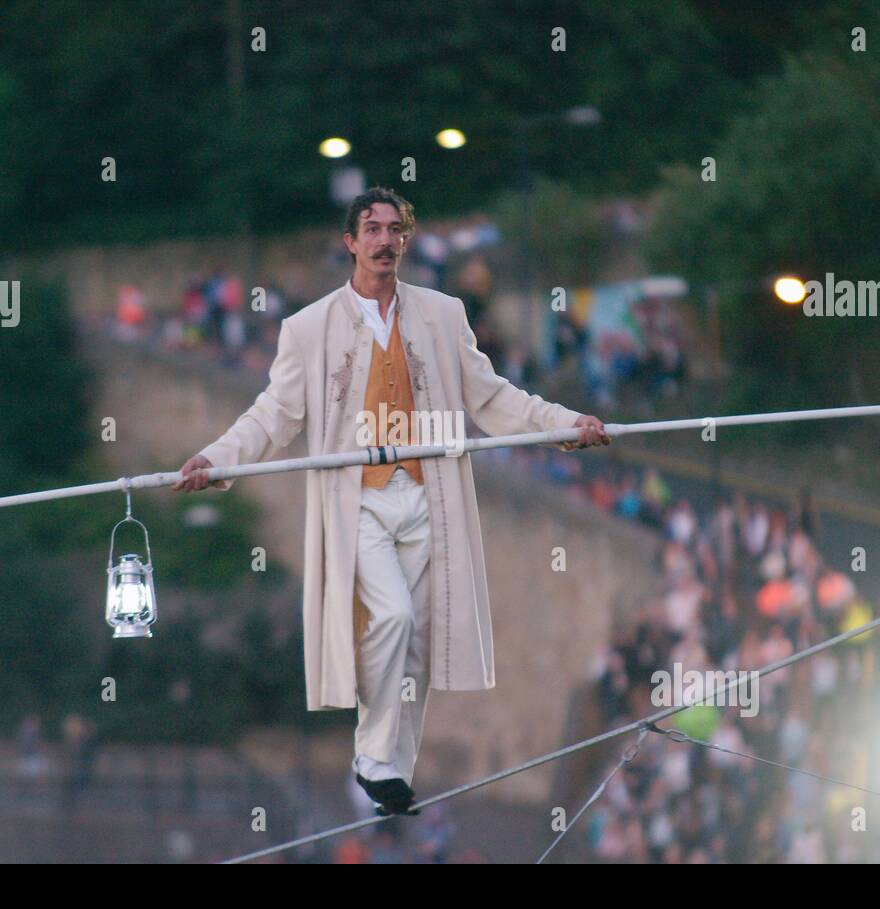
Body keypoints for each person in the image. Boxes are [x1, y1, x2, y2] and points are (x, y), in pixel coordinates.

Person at [173, 187, 609, 816]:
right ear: (351, 242)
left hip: (429, 494)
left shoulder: (441, 313)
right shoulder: (308, 328)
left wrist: (565, 424)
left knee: (421, 638)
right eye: (372, 229)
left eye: (395, 230)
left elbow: (491, 396)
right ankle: (373, 756)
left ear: (406, 241)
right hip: (360, 503)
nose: (384, 240)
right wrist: (217, 460)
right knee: (394, 619)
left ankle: (391, 771)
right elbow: (274, 414)